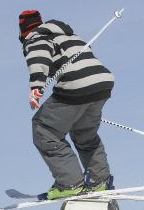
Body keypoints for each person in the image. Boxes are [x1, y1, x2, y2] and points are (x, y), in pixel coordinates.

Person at [18, 10, 115, 200]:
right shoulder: (67, 34)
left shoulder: (36, 36)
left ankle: (69, 184)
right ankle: (100, 181)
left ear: (23, 32)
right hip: (102, 82)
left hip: (76, 84)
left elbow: (38, 55)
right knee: (85, 134)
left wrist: (36, 86)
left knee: (44, 129)